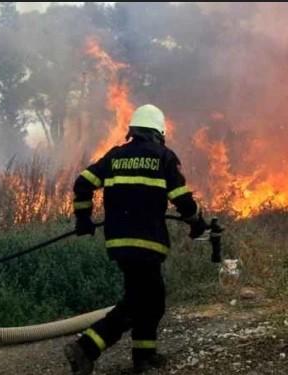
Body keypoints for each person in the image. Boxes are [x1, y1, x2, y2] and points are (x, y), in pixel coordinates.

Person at [64, 104, 207, 374]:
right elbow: (183, 201)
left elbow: (82, 183)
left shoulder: (115, 156)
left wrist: (83, 219)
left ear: (133, 131)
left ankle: (144, 356)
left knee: (151, 298)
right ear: (159, 132)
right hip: (148, 243)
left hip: (119, 243)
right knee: (141, 301)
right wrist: (197, 223)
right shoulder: (163, 157)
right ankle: (86, 347)